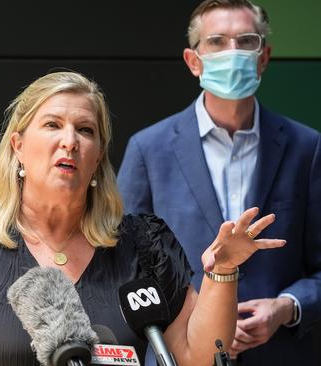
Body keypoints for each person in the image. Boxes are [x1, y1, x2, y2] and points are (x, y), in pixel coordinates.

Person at [0, 71, 284, 366]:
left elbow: (199, 357)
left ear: (98, 157)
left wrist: (223, 271)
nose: (70, 141)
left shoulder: (143, 246)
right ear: (18, 148)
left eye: (85, 130)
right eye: (52, 125)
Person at [117, 1, 321, 364]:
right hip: (180, 355)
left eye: (246, 41)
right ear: (193, 60)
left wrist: (286, 307)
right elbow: (122, 267)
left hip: (279, 354)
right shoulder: (149, 149)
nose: (233, 52)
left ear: (264, 56)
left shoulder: (306, 147)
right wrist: (196, 318)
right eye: (217, 41)